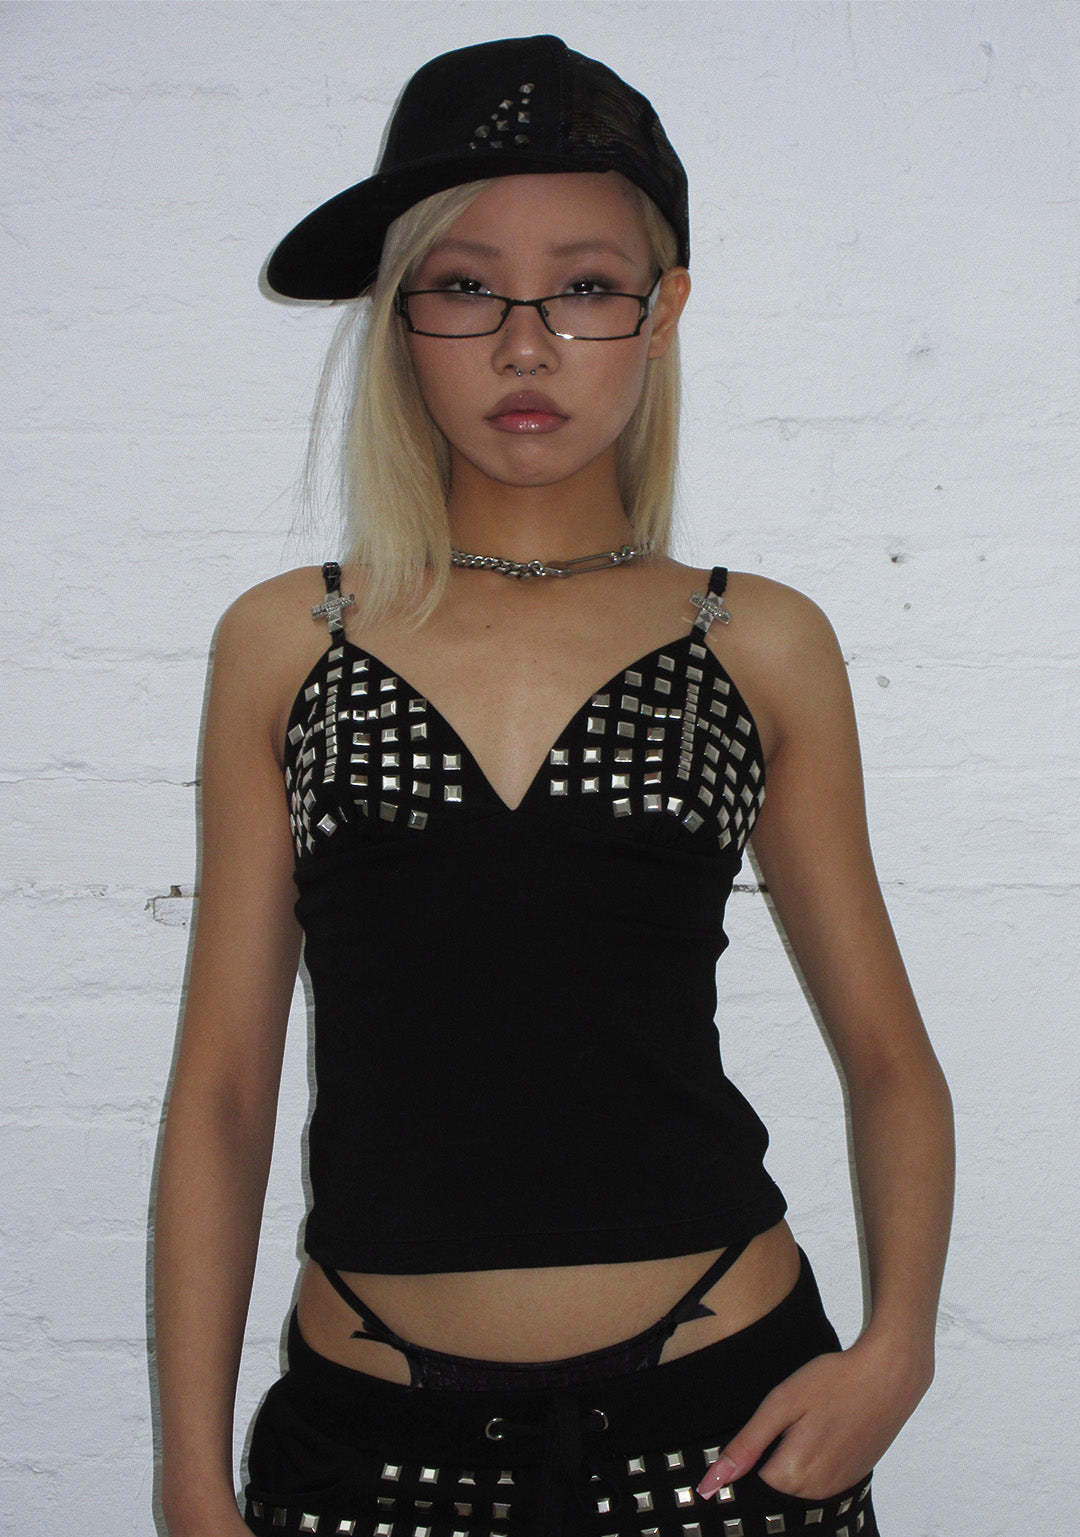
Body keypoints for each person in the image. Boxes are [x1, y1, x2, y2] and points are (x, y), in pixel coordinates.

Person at [153, 34, 954, 1537]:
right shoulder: (289, 640)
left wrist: (897, 1351)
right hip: (367, 1451)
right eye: (465, 287)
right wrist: (192, 1479)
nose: (525, 346)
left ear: (663, 312)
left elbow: (891, 1061)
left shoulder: (757, 641)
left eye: (585, 286)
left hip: (723, 1429)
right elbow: (222, 1096)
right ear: (400, 317)